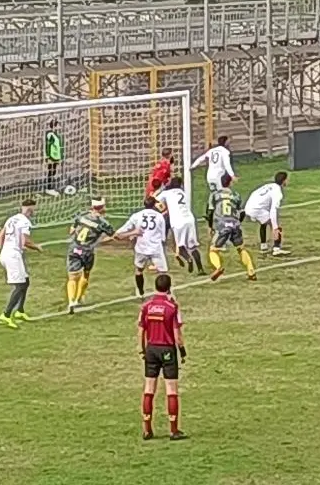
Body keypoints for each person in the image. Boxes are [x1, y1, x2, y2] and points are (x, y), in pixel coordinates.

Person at [138, 273, 187, 440]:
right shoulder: (172, 307)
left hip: (151, 348)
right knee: (171, 390)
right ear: (169, 287)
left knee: (149, 388)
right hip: (166, 349)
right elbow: (176, 332)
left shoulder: (147, 306)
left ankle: (147, 429)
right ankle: (173, 430)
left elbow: (141, 329)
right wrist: (182, 350)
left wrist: (142, 349)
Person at [66, 198, 118, 314]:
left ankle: (71, 301)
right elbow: (114, 236)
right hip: (87, 251)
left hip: (74, 248)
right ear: (102, 207)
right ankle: (78, 299)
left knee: (72, 277)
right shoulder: (103, 223)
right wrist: (101, 241)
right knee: (86, 274)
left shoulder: (81, 215)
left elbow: (71, 231)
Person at [0, 199, 42, 328]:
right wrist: (37, 247)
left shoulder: (12, 219)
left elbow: (0, 236)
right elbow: (26, 242)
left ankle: (20, 311)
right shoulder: (25, 222)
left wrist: (3, 250)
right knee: (20, 286)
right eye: (33, 209)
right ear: (30, 209)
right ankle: (6, 314)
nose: (34, 212)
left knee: (25, 281)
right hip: (12, 256)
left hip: (7, 253)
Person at [205, 174, 256, 282]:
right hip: (235, 224)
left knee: (213, 250)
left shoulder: (215, 195)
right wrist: (238, 223)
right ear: (230, 183)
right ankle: (251, 270)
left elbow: (210, 211)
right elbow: (242, 213)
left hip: (222, 225)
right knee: (241, 248)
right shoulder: (235, 195)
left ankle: (218, 268)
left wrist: (210, 226)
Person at [118, 196, 171, 297]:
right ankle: (166, 292)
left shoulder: (137, 215)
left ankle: (140, 291)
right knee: (162, 272)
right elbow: (163, 236)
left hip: (141, 247)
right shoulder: (159, 216)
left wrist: (117, 233)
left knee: (139, 269)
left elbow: (126, 227)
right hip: (155, 248)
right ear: (154, 204)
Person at [157, 176, 204, 275]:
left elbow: (155, 200)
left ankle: (188, 259)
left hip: (177, 221)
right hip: (189, 219)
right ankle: (200, 269)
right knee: (193, 247)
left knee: (181, 246)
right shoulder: (183, 193)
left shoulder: (167, 193)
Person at [245, 172, 289, 256]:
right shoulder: (278, 192)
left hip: (249, 207)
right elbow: (273, 210)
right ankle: (277, 249)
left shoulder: (269, 185)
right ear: (284, 181)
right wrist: (275, 226)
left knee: (264, 222)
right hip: (257, 209)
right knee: (276, 225)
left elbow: (254, 193)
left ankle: (263, 245)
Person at [45, 119, 63, 196]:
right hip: (51, 156)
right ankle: (49, 188)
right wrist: (48, 156)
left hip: (56, 156)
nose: (59, 127)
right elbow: (48, 145)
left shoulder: (56, 135)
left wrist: (60, 156)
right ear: (54, 126)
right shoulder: (50, 135)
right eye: (57, 125)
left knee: (54, 171)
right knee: (51, 171)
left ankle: (52, 187)